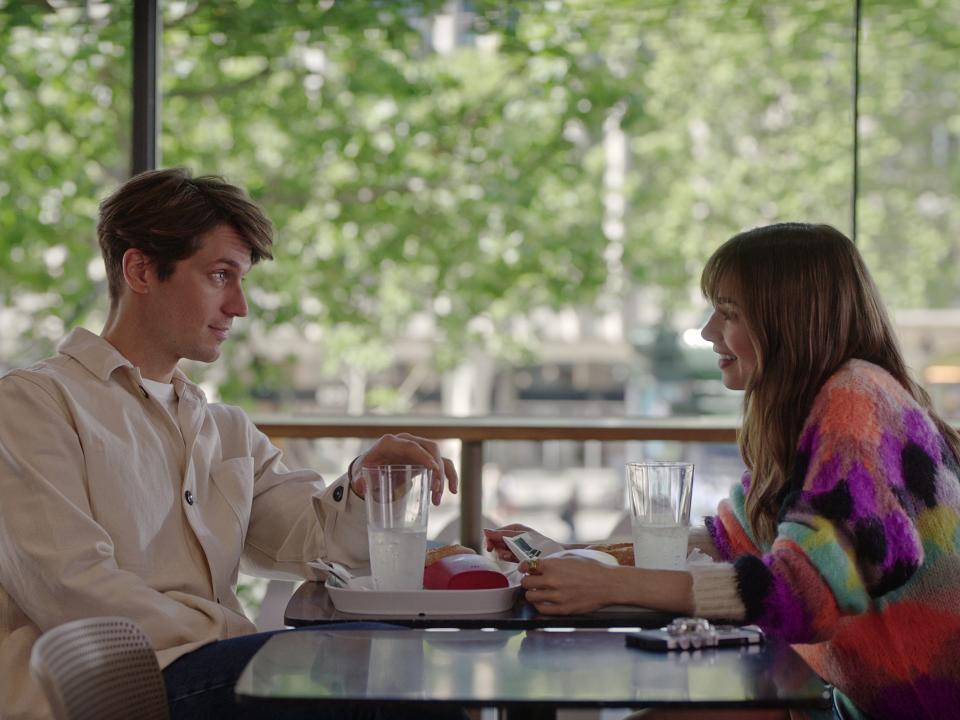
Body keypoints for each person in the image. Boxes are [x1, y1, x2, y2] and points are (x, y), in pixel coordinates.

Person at [0, 168, 459, 720]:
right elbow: (74, 590)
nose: (239, 306)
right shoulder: (33, 404)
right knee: (382, 669)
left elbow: (319, 548)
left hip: (209, 671)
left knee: (400, 662)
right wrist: (233, 631)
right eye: (220, 276)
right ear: (141, 269)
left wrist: (363, 483)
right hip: (109, 692)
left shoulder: (224, 429)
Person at [486, 223, 960, 720]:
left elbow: (802, 597)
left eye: (729, 312)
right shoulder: (816, 410)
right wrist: (577, 555)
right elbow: (730, 539)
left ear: (789, 320)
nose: (709, 329)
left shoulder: (856, 400)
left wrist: (609, 586)